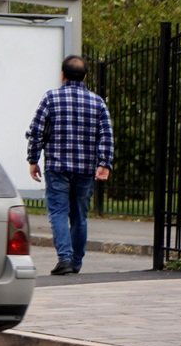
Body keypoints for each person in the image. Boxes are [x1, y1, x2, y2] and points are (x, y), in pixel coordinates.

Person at [24, 55, 114, 276]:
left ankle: (64, 258)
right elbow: (106, 135)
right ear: (85, 76)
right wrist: (104, 163)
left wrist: (33, 159)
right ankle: (76, 261)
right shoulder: (97, 102)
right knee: (79, 215)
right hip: (85, 168)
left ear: (62, 75)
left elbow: (36, 131)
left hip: (57, 167)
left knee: (58, 212)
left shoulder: (51, 98)